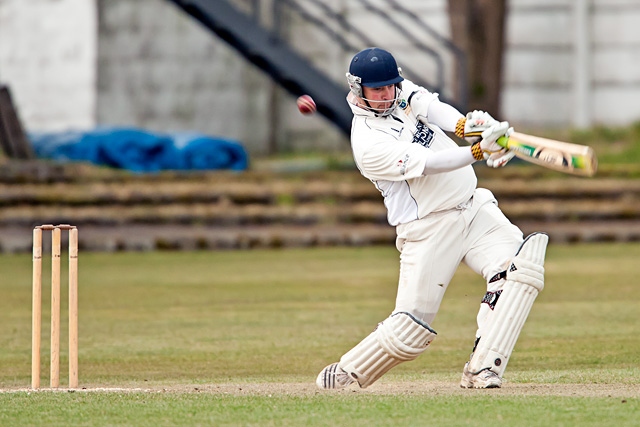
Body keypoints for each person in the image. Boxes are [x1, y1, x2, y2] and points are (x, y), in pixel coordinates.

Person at [316, 47, 548, 390]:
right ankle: (345, 375)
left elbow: (430, 107)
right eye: (376, 89)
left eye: (390, 86)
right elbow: (429, 163)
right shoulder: (367, 143)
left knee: (519, 272)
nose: (385, 94)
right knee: (410, 329)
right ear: (358, 90)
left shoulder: (398, 92)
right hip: (429, 229)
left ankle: (483, 368)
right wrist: (479, 150)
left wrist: (465, 125)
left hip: (473, 208)